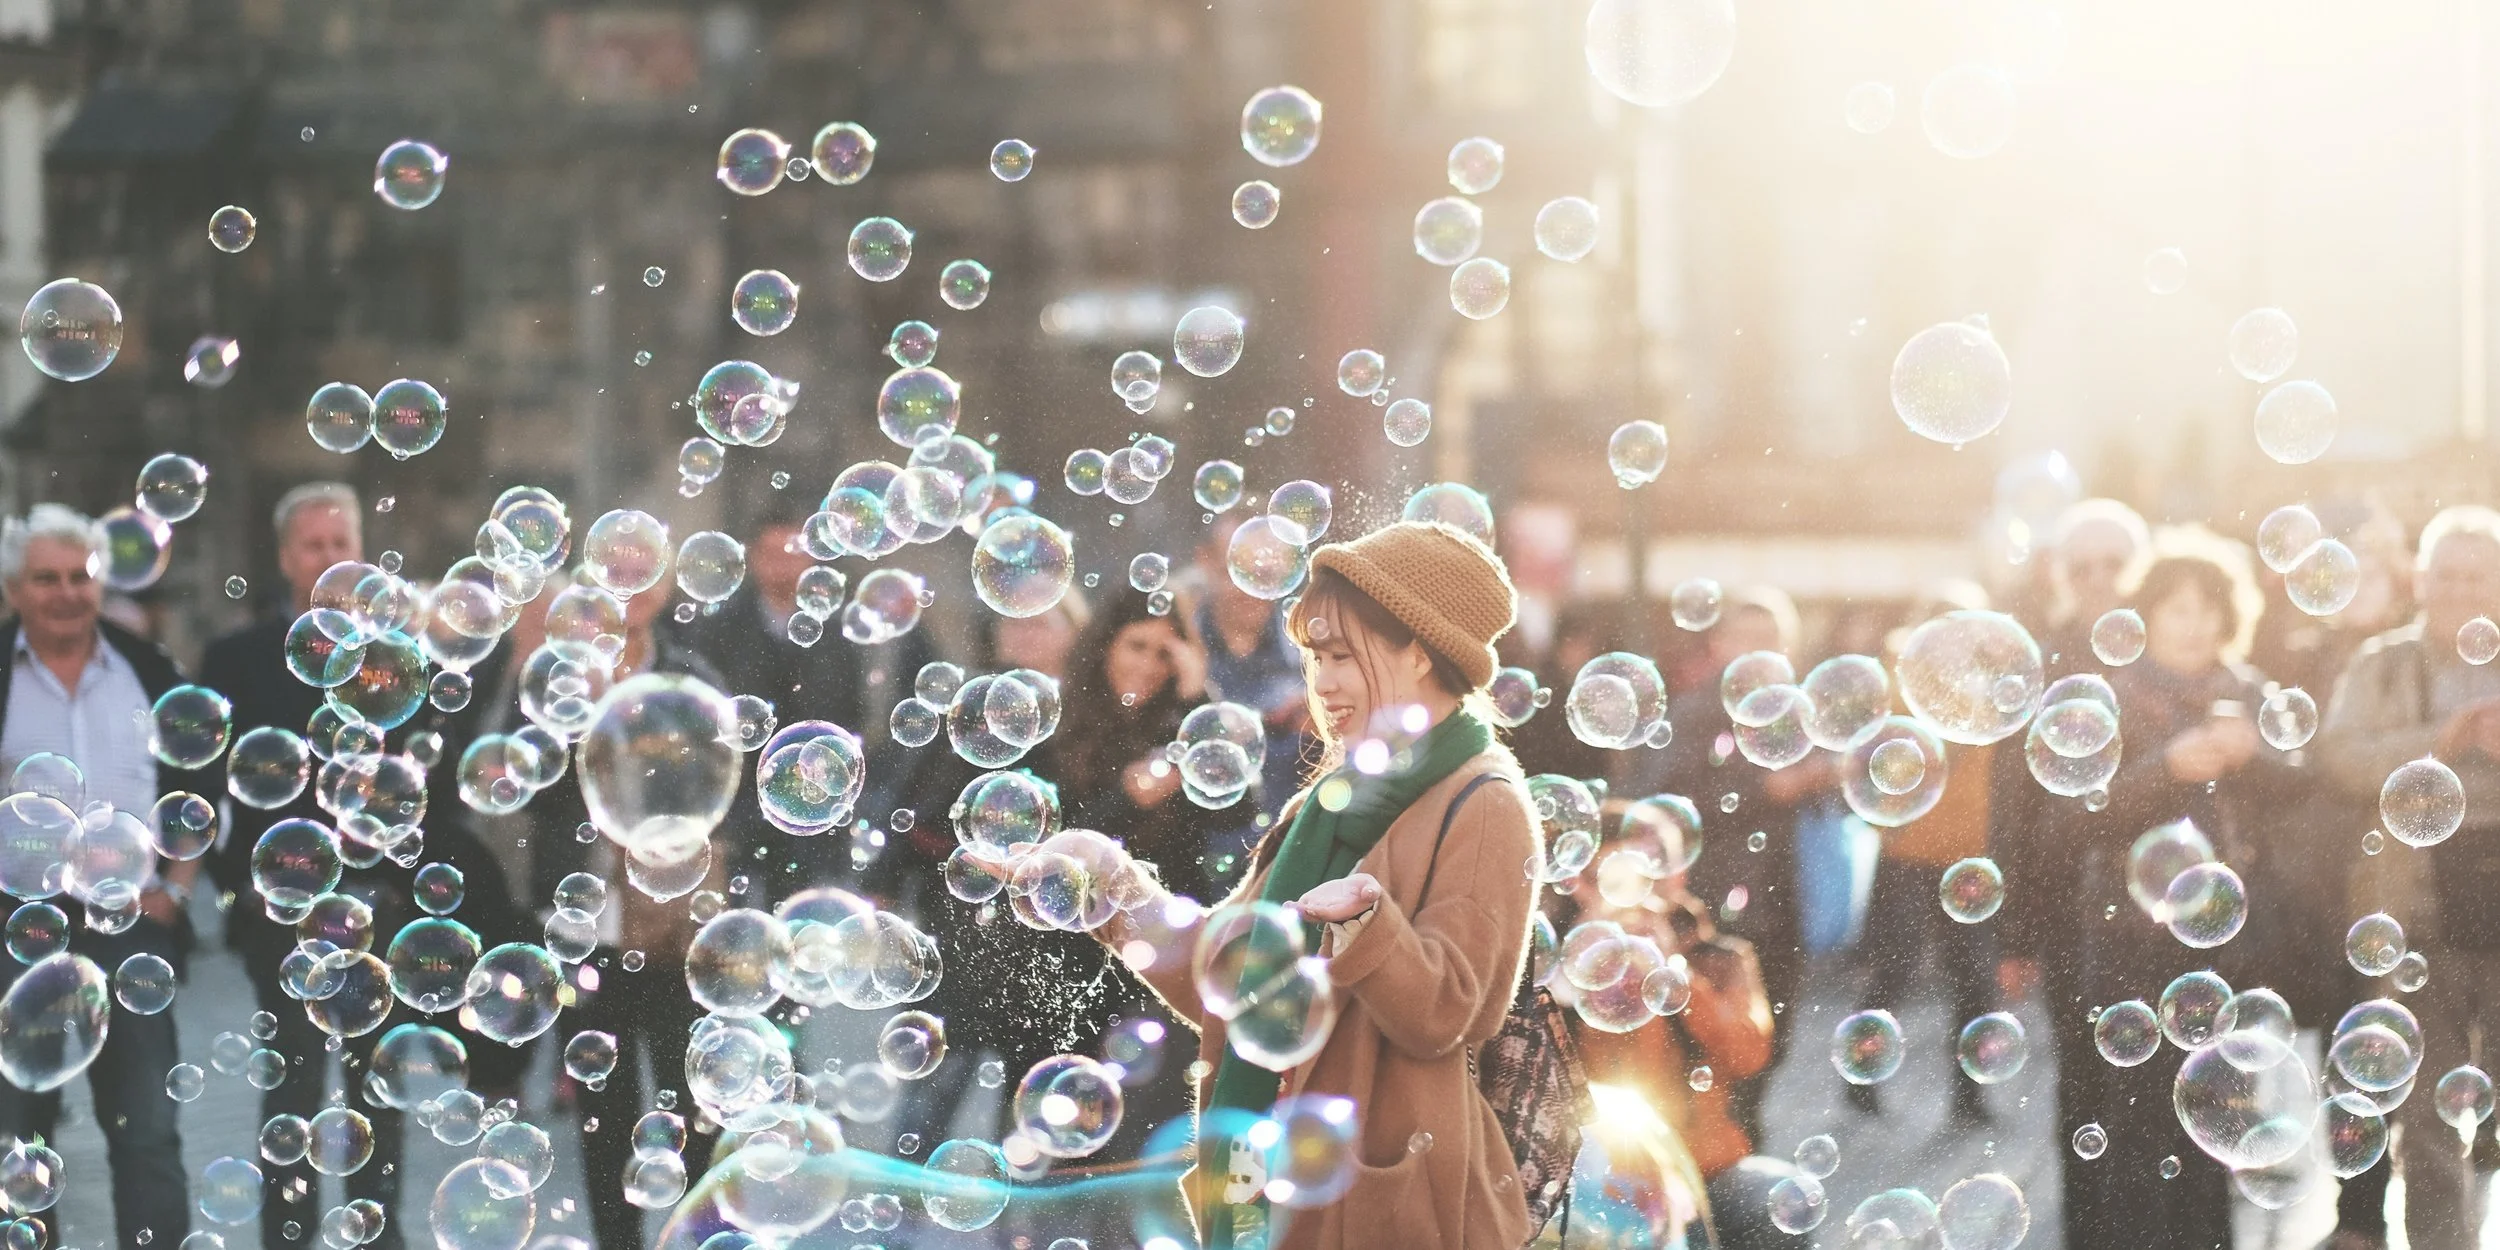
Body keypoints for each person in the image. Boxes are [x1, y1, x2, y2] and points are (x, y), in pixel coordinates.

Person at [1101, 520, 1539, 1249]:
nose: (1321, 681)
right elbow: (1232, 974)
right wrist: (1116, 893)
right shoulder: (1330, 800)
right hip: (1275, 1178)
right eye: (1314, 656)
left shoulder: (1484, 800)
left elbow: (1451, 1012)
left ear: (1421, 652)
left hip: (1392, 1201)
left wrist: (1369, 924)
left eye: (1341, 655)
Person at [199, 482, 526, 1250]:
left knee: (380, 1089)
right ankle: (289, 1239)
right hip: (281, 910)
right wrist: (239, 890)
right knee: (295, 1092)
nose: (327, 557)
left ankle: (377, 1237)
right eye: (312, 545)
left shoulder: (400, 661)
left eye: (339, 543)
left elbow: (434, 781)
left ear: (360, 555)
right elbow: (209, 788)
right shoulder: (236, 657)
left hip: (379, 902)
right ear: (285, 558)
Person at [2064, 528, 2296, 1250]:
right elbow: (2071, 816)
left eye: (2207, 609)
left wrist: (2255, 759)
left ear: (2231, 617)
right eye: (2177, 608)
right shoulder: (2113, 698)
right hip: (2130, 942)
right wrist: (2165, 767)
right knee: (2135, 1125)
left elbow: (2308, 784)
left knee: (2219, 1122)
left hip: (2232, 945)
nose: (2195, 624)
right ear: (2149, 615)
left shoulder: (2251, 695)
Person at [0, 504, 200, 1250]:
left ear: (99, 584)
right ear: (15, 590)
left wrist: (174, 892)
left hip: (132, 929)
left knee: (148, 1132)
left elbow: (199, 791)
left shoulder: (147, 671)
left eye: (79, 577)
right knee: (18, 1142)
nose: (64, 593)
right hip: (18, 935)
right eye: (45, 578)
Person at [512, 573, 725, 1250]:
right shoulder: (559, 684)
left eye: (645, 570)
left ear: (663, 590)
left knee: (684, 1099)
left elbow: (727, 791)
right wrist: (576, 730)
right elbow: (517, 786)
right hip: (587, 925)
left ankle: (684, 1237)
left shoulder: (692, 680)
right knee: (604, 1109)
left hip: (671, 925)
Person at [2317, 505, 2500, 1250]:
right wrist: (2444, 739)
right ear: (2419, 581)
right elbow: (2339, 758)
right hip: (2416, 913)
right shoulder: (2381, 662)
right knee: (2427, 1110)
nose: (2457, 589)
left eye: (2475, 575)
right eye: (2444, 574)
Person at [1630, 584, 1820, 1146]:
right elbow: (1668, 800)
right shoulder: (1693, 712)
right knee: (1713, 1031)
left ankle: (1744, 1131)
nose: (1763, 653)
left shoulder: (1790, 716)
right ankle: (1726, 1146)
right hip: (1714, 896)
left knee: (1774, 1031)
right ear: (1720, 646)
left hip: (1781, 894)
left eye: (1774, 642)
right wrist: (1769, 787)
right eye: (1751, 640)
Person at [684, 491, 938, 905]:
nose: (783, 564)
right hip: (743, 807)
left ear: (815, 559)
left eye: (793, 553)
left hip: (836, 800)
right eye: (771, 553)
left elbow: (899, 708)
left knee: (819, 913)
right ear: (751, 558)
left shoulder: (857, 627)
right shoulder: (720, 630)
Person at [1553, 801, 1773, 1182]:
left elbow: (1749, 1054)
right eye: (1613, 882)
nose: (1635, 897)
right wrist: (1583, 965)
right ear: (1581, 888)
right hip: (1597, 1167)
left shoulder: (1722, 958)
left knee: (1764, 1199)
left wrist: (1675, 971)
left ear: (1678, 878)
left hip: (1704, 1164)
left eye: (1650, 877)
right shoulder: (1557, 967)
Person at [1851, 584, 2000, 1124]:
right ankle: (1861, 1078)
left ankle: (1970, 1094)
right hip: (1908, 852)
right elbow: (1873, 764)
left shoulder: (1990, 691)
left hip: (1966, 855)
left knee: (1975, 980)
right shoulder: (1897, 684)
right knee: (1893, 972)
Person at [1192, 514, 1312, 886]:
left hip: (1292, 869)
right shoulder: (1173, 649)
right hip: (1194, 872)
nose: (1252, 587)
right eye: (1239, 569)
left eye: (1267, 572)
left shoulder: (1313, 654)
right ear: (1206, 561)